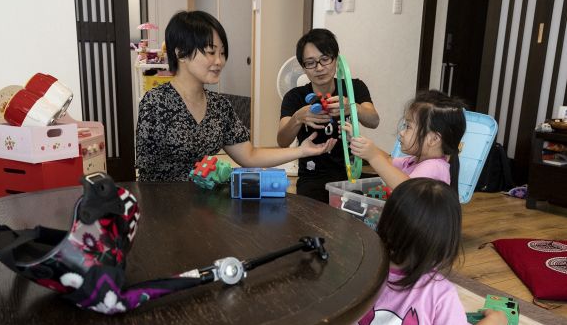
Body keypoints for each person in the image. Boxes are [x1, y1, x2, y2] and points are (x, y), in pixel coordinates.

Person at [136, 11, 337, 182]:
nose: (220, 61)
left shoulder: (219, 106)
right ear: (181, 54)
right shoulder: (156, 102)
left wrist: (301, 151)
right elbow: (146, 174)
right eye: (210, 52)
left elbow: (249, 155)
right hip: (167, 210)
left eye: (222, 53)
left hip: (206, 205)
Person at [346, 178, 508, 325]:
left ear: (385, 222)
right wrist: (493, 323)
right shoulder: (440, 292)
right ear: (446, 242)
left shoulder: (364, 267)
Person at [277, 28, 379, 202]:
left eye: (325, 59)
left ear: (336, 60)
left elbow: (373, 120)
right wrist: (298, 118)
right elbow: (282, 141)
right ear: (303, 67)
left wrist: (352, 107)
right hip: (313, 176)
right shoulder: (295, 97)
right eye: (310, 62)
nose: (319, 68)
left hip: (350, 172)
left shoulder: (354, 88)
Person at [346, 90, 466, 191]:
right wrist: (362, 143)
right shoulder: (414, 161)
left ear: (433, 139)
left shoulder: (435, 167)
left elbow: (406, 189)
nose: (402, 132)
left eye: (408, 127)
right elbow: (388, 160)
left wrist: (373, 157)